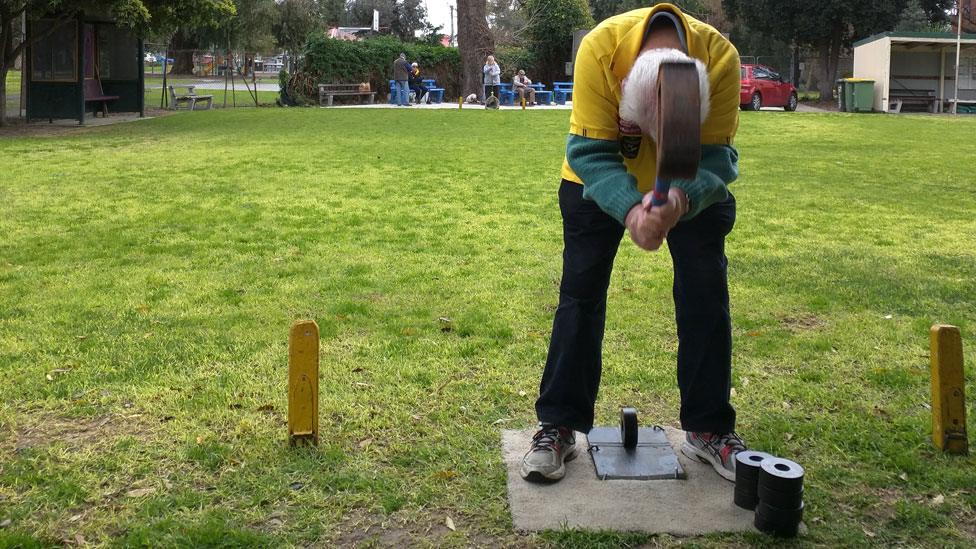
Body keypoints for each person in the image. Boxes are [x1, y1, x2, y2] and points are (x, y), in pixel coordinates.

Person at [520, 4, 745, 484]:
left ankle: (708, 429)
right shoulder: (601, 50)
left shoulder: (721, 59)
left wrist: (680, 200)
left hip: (689, 184)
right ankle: (558, 424)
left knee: (706, 293)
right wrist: (630, 209)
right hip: (598, 178)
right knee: (580, 294)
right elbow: (589, 152)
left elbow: (720, 158)